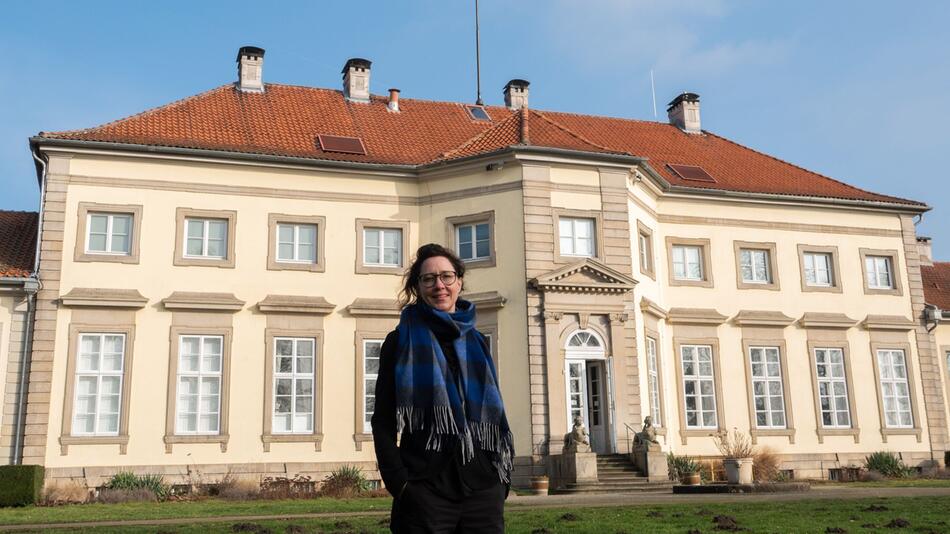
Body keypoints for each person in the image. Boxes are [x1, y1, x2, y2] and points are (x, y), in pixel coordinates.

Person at [372, 243, 514, 533]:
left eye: (446, 276)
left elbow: (493, 412)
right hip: (425, 489)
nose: (439, 285)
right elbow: (383, 420)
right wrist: (399, 483)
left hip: (483, 488)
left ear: (459, 282)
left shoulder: (476, 341)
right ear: (418, 287)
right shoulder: (400, 341)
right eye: (429, 278)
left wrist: (501, 482)